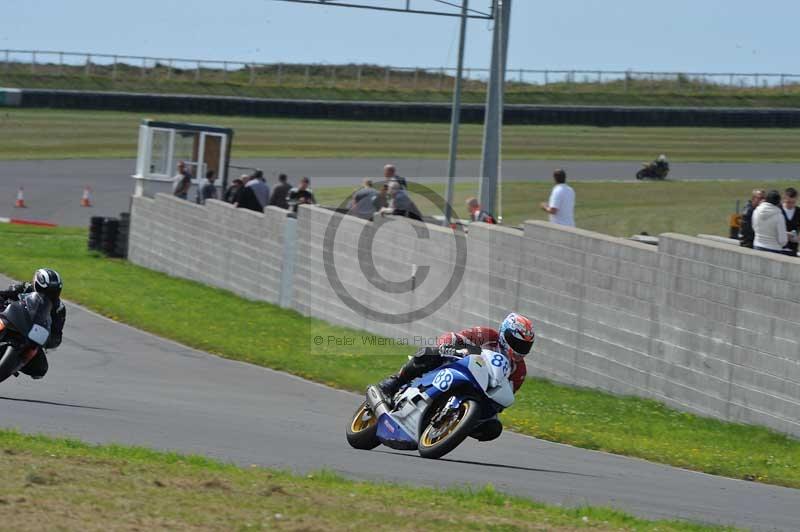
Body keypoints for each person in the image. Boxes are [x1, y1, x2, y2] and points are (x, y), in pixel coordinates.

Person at [375, 313, 535, 442]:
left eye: (524, 346)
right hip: (457, 365)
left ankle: (458, 425)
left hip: (480, 393)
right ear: (503, 333)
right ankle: (395, 381)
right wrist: (447, 347)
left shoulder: (519, 371)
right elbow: (455, 337)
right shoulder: (486, 335)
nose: (519, 349)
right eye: (516, 342)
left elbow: (502, 398)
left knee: (493, 428)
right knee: (428, 353)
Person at [0, 269, 65, 380]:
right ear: (37, 285)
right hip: (12, 319)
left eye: (53, 292)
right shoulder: (25, 288)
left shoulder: (59, 308)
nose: (49, 294)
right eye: (47, 290)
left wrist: (49, 340)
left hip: (32, 335)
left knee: (40, 369)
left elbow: (57, 333)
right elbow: (3, 294)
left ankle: (13, 366)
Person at [753, 190, 790, 255]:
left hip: (757, 246)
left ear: (766, 199)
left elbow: (754, 227)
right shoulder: (779, 216)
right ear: (778, 203)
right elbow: (783, 240)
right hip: (774, 249)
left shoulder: (756, 211)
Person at [782, 187, 799, 256]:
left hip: (793, 249)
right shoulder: (778, 210)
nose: (791, 205)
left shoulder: (798, 211)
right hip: (779, 248)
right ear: (784, 198)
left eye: (793, 202)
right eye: (788, 202)